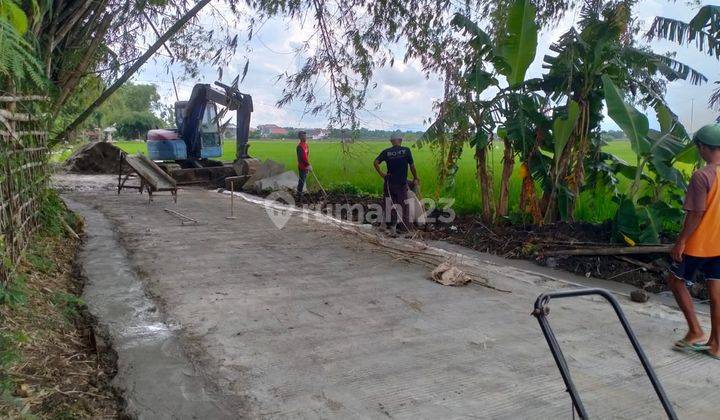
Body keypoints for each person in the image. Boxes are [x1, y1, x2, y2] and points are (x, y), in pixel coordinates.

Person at [667, 123, 720, 359]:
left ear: (704, 147)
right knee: (717, 293)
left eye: (698, 146)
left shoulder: (702, 175)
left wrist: (681, 242)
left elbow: (696, 213)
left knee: (676, 281)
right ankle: (715, 345)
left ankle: (695, 331)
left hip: (699, 244)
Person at [373, 133, 419, 233]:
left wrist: (382, 174)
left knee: (389, 204)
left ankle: (388, 226)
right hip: (401, 183)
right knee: (404, 206)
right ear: (401, 140)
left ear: (391, 141)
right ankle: (406, 229)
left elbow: (375, 162)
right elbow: (412, 166)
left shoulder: (386, 152)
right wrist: (416, 177)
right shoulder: (406, 150)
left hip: (389, 182)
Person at [296, 131, 311, 202]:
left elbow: (307, 155)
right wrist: (307, 165)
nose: (305, 137)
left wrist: (308, 165)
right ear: (300, 137)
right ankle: (298, 196)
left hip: (306, 166)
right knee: (301, 181)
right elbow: (302, 158)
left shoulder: (306, 145)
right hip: (302, 167)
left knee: (303, 180)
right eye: (303, 136)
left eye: (305, 136)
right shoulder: (299, 146)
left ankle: (300, 193)